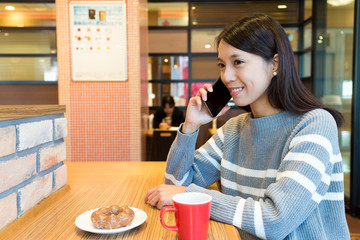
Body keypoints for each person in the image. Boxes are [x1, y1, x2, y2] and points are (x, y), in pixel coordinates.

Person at [145, 13, 351, 239]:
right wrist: (192, 126)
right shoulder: (233, 130)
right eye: (222, 65)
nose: (226, 76)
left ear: (275, 63)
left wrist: (191, 194)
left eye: (238, 62)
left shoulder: (315, 124)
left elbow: (275, 220)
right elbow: (175, 186)